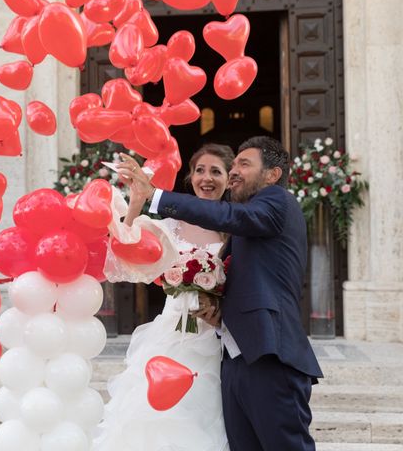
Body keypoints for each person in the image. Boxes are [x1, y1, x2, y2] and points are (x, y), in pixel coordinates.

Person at [118, 136, 323, 451]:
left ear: (272, 175)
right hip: (234, 355)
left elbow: (230, 217)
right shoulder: (250, 221)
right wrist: (217, 307)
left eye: (244, 164)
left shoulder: (277, 202)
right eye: (236, 163)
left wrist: (154, 196)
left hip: (269, 355)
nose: (235, 171)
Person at [94, 144, 234, 451]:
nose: (206, 178)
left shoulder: (234, 227)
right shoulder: (172, 223)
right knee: (150, 410)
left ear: (228, 178)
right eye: (199, 170)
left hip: (214, 337)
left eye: (215, 171)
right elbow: (127, 249)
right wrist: (136, 202)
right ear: (190, 177)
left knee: (204, 409)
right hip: (170, 332)